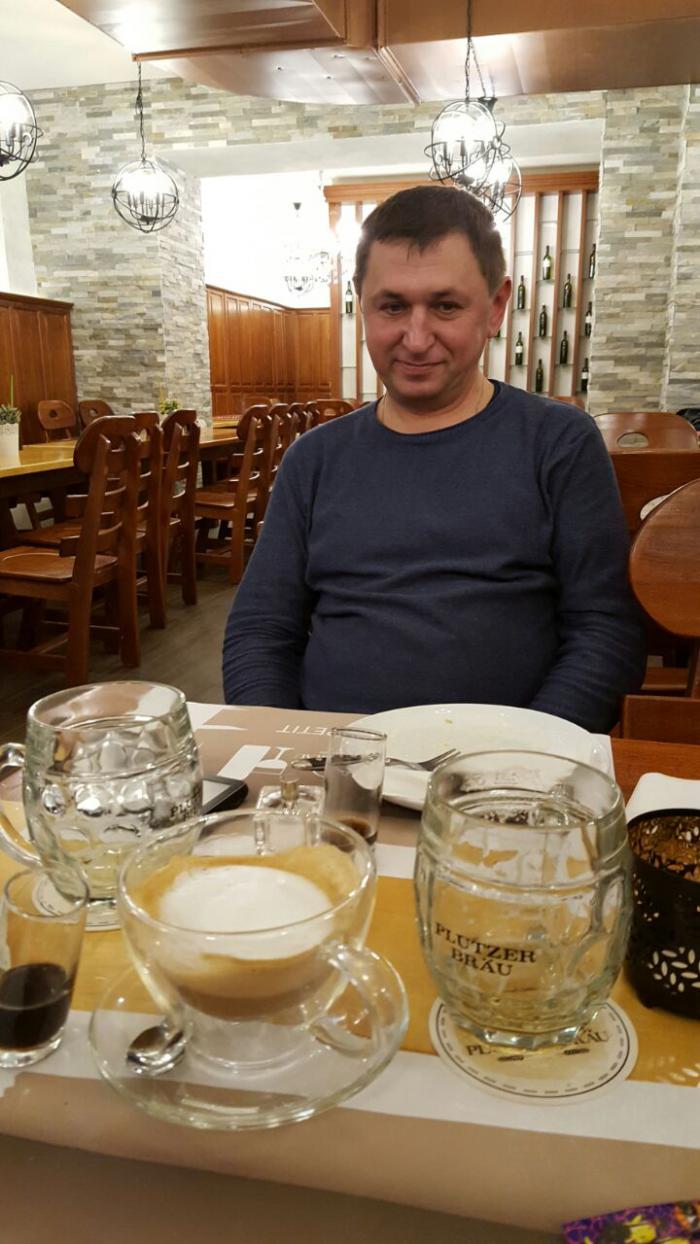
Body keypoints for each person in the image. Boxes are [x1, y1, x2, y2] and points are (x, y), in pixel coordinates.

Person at [222, 185, 645, 732]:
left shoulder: (559, 442)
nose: (416, 339)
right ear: (362, 304)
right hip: (334, 759)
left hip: (511, 762)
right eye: (392, 306)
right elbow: (259, 630)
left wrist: (527, 755)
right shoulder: (314, 458)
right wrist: (283, 746)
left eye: (445, 306)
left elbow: (606, 631)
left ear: (495, 306)